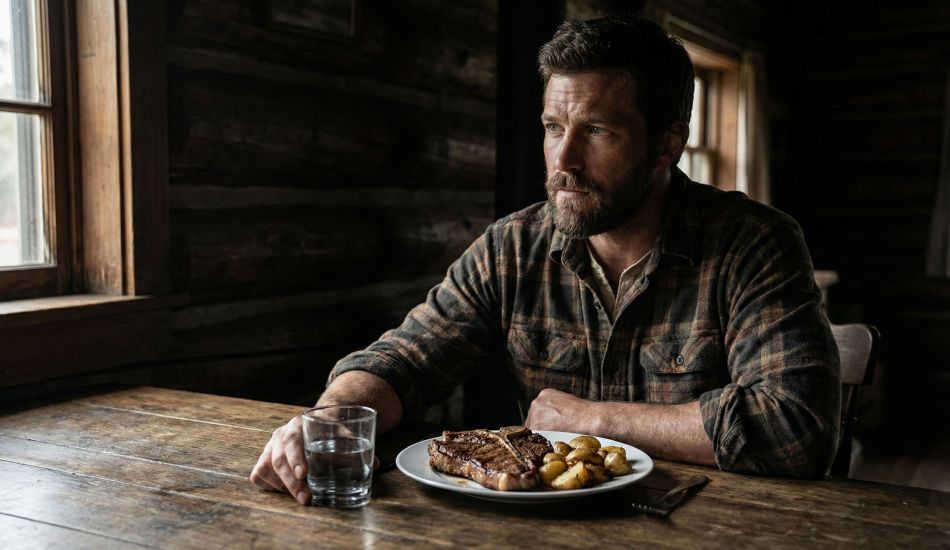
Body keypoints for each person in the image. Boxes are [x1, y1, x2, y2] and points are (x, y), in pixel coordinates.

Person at [251, 14, 840, 505]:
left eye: (598, 131)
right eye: (553, 126)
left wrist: (594, 421)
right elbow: (404, 359)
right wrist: (327, 417)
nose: (565, 160)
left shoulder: (754, 244)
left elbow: (796, 427)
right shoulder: (512, 247)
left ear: (667, 144)